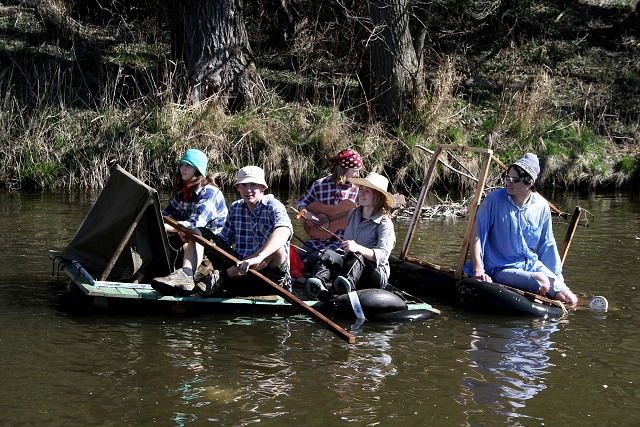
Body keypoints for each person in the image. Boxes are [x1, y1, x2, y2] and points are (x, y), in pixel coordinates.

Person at [463, 153, 578, 306]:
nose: (509, 183)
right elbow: (477, 233)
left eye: (515, 180)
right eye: (508, 178)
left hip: (530, 264)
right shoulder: (494, 200)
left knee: (570, 299)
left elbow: (547, 243)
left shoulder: (541, 206)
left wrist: (557, 280)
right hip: (500, 267)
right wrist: (478, 269)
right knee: (542, 283)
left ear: (529, 182)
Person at [194, 165, 294, 297]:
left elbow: (284, 230)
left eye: (253, 185)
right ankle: (187, 275)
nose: (248, 190)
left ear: (263, 188)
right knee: (199, 233)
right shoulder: (236, 207)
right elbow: (224, 240)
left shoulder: (274, 206)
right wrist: (199, 242)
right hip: (241, 268)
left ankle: (223, 277)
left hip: (269, 277)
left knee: (277, 248)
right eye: (244, 185)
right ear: (238, 188)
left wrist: (259, 257)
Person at [305, 172, 396, 300]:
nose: (361, 193)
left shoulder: (384, 224)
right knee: (330, 253)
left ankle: (345, 287)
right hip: (349, 267)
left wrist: (358, 248)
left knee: (357, 255)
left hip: (373, 275)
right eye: (361, 189)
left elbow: (382, 256)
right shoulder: (353, 214)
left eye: (367, 191)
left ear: (378, 196)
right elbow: (333, 225)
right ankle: (317, 283)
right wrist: (317, 224)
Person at [151, 149, 228, 295]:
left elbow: (197, 223)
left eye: (188, 165)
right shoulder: (184, 194)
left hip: (216, 247)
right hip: (194, 243)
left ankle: (186, 275)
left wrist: (167, 227)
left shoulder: (211, 193)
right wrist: (158, 223)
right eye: (182, 165)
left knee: (196, 232)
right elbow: (164, 215)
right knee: (166, 235)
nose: (183, 169)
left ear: (198, 170)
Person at [295, 148, 363, 270]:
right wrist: (307, 213)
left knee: (311, 261)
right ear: (343, 169)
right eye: (355, 171)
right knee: (295, 259)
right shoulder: (320, 185)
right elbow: (301, 202)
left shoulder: (359, 189)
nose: (357, 175)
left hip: (340, 245)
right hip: (317, 239)